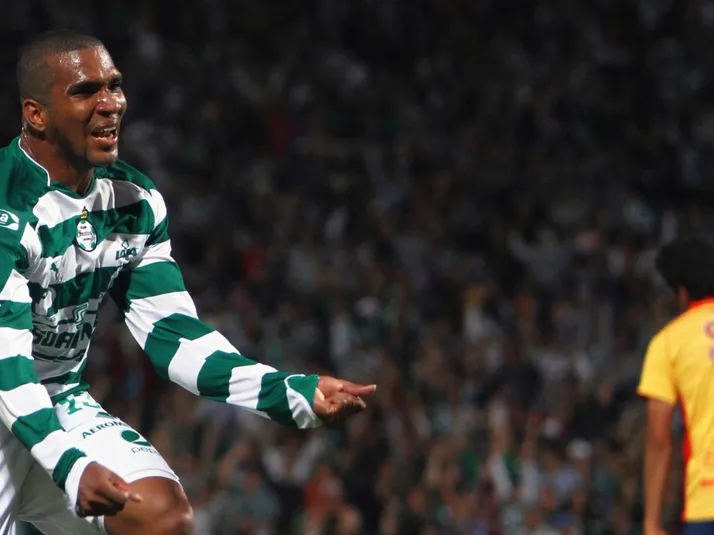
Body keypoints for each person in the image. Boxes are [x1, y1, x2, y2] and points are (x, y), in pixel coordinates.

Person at [0, 29, 376, 535]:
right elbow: (7, 365)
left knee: (163, 517)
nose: (111, 104)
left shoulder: (134, 202)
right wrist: (69, 466)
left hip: (58, 399)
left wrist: (289, 392)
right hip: (8, 396)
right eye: (85, 91)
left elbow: (173, 336)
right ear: (36, 114)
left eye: (114, 85)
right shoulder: (7, 208)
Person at [638, 237, 714, 535]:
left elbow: (659, 440)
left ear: (682, 292)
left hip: (707, 499)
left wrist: (652, 521)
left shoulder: (669, 343)